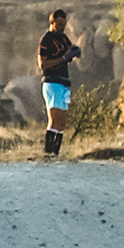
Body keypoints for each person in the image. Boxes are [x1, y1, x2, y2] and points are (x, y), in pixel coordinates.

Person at [39, 9, 80, 158]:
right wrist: (63, 58)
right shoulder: (46, 40)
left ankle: (55, 153)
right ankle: (48, 153)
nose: (62, 27)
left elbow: (69, 52)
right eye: (60, 24)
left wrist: (75, 52)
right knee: (54, 120)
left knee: (62, 123)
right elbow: (43, 64)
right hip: (52, 82)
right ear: (52, 22)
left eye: (64, 24)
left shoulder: (63, 38)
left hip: (64, 83)